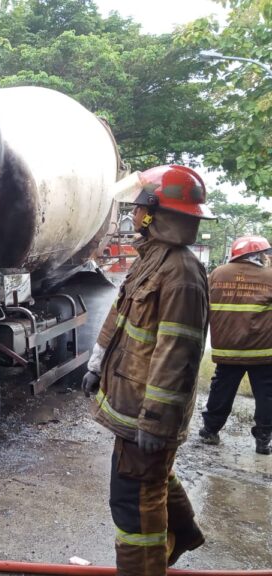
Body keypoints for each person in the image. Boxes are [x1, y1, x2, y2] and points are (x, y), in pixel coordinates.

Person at [81, 165, 213, 574]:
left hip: (146, 412)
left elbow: (178, 355)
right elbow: (120, 317)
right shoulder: (152, 259)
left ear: (155, 213)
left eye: (138, 209)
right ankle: (185, 533)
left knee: (134, 500)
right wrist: (96, 362)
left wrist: (155, 421)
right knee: (152, 479)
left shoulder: (182, 274)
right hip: (132, 404)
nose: (133, 216)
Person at [200, 235, 272, 455]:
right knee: (267, 393)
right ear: (258, 255)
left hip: (227, 350)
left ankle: (210, 430)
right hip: (263, 351)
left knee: (221, 389)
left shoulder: (217, 274)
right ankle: (263, 440)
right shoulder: (269, 276)